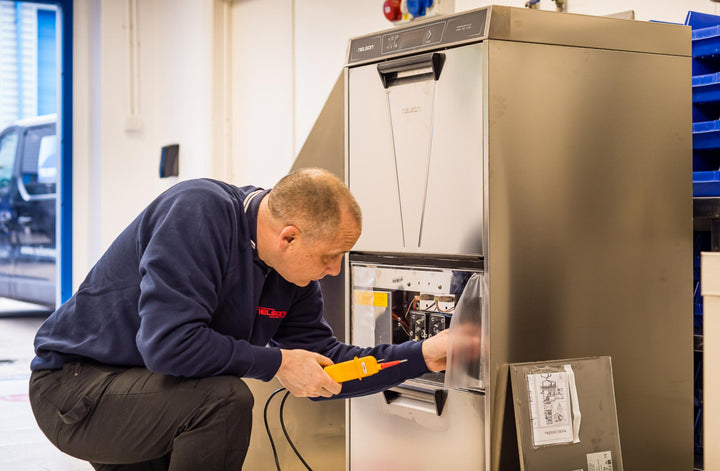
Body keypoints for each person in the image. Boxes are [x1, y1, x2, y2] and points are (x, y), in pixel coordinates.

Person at [29, 168, 448, 470]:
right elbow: (167, 345)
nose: (336, 270)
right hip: (75, 390)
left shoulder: (291, 276)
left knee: (212, 402)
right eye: (329, 256)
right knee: (223, 401)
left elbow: (326, 367)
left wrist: (424, 356)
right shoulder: (198, 212)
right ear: (288, 236)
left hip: (156, 395)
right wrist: (279, 363)